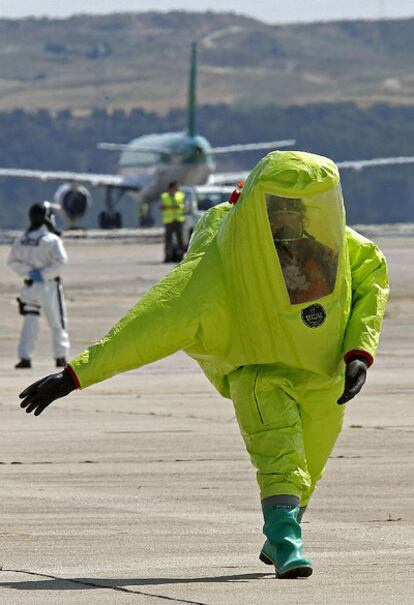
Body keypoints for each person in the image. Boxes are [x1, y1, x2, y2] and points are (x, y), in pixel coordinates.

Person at [18, 152, 388, 579]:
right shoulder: (219, 263)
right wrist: (74, 375)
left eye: (296, 207)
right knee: (281, 457)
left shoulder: (341, 250)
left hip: (325, 374)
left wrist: (359, 353)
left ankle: (282, 529)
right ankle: (287, 543)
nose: (288, 218)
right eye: (278, 207)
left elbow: (371, 282)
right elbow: (150, 325)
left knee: (311, 466)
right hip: (260, 370)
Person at [8, 202, 70, 369]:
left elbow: (12, 261)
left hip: (29, 286)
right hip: (48, 286)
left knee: (30, 321)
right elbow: (61, 262)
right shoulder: (51, 240)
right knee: (57, 321)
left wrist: (28, 272)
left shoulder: (22, 239)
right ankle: (60, 356)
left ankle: (25, 357)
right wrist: (43, 274)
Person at [160, 181, 186, 262]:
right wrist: (169, 207)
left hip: (179, 220)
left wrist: (180, 207)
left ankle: (180, 256)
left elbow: (185, 206)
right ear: (171, 188)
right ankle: (168, 256)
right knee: (168, 240)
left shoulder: (181, 195)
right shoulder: (164, 196)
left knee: (180, 240)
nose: (177, 188)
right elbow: (161, 207)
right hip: (169, 221)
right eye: (176, 187)